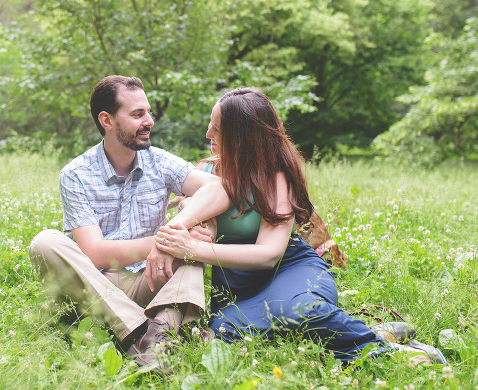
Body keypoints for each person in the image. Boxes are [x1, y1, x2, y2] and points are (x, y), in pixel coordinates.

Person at [155, 87, 446, 365]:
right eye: (210, 125)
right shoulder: (207, 172)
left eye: (217, 129)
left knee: (299, 311)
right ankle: (372, 332)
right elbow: (192, 211)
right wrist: (190, 221)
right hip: (236, 288)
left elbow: (268, 254)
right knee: (224, 334)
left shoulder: (277, 177)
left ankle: (393, 353)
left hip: (287, 270)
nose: (208, 134)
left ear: (242, 136)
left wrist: (193, 249)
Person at [28, 75, 229, 371]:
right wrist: (165, 240)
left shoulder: (159, 162)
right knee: (44, 242)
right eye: (137, 114)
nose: (149, 121)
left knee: (193, 244)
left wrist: (182, 227)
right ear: (107, 121)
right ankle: (140, 335)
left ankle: (158, 335)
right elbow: (95, 253)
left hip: (151, 277)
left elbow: (220, 188)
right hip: (95, 285)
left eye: (148, 112)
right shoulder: (76, 174)